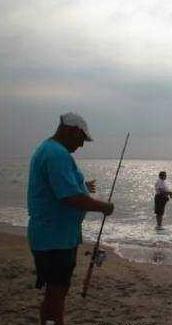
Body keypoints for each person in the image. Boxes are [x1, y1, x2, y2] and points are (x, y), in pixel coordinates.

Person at [27, 112, 115, 325]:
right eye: (82, 139)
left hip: (50, 236)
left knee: (54, 291)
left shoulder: (48, 150)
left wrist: (84, 188)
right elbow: (70, 197)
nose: (82, 145)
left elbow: (60, 189)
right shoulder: (57, 154)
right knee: (57, 292)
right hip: (55, 239)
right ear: (72, 131)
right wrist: (104, 207)